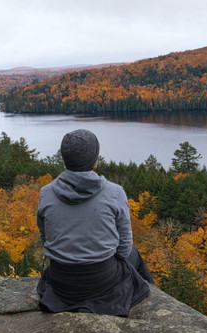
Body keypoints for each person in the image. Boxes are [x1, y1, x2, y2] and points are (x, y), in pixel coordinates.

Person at [36, 129, 154, 317]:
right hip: (102, 281)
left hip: (62, 282)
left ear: (64, 158)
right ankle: (153, 302)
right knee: (134, 255)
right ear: (95, 160)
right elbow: (124, 246)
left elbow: (45, 238)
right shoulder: (114, 193)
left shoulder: (46, 193)